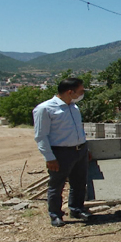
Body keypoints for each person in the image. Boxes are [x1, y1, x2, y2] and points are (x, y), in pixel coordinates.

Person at [33, 78, 91, 227]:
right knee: (57, 185)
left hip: (80, 150)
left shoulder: (73, 107)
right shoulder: (45, 109)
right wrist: (49, 157)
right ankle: (55, 215)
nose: (82, 94)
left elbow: (78, 129)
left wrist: (86, 148)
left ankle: (77, 209)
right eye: (80, 91)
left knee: (79, 183)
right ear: (70, 92)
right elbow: (41, 135)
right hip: (61, 153)